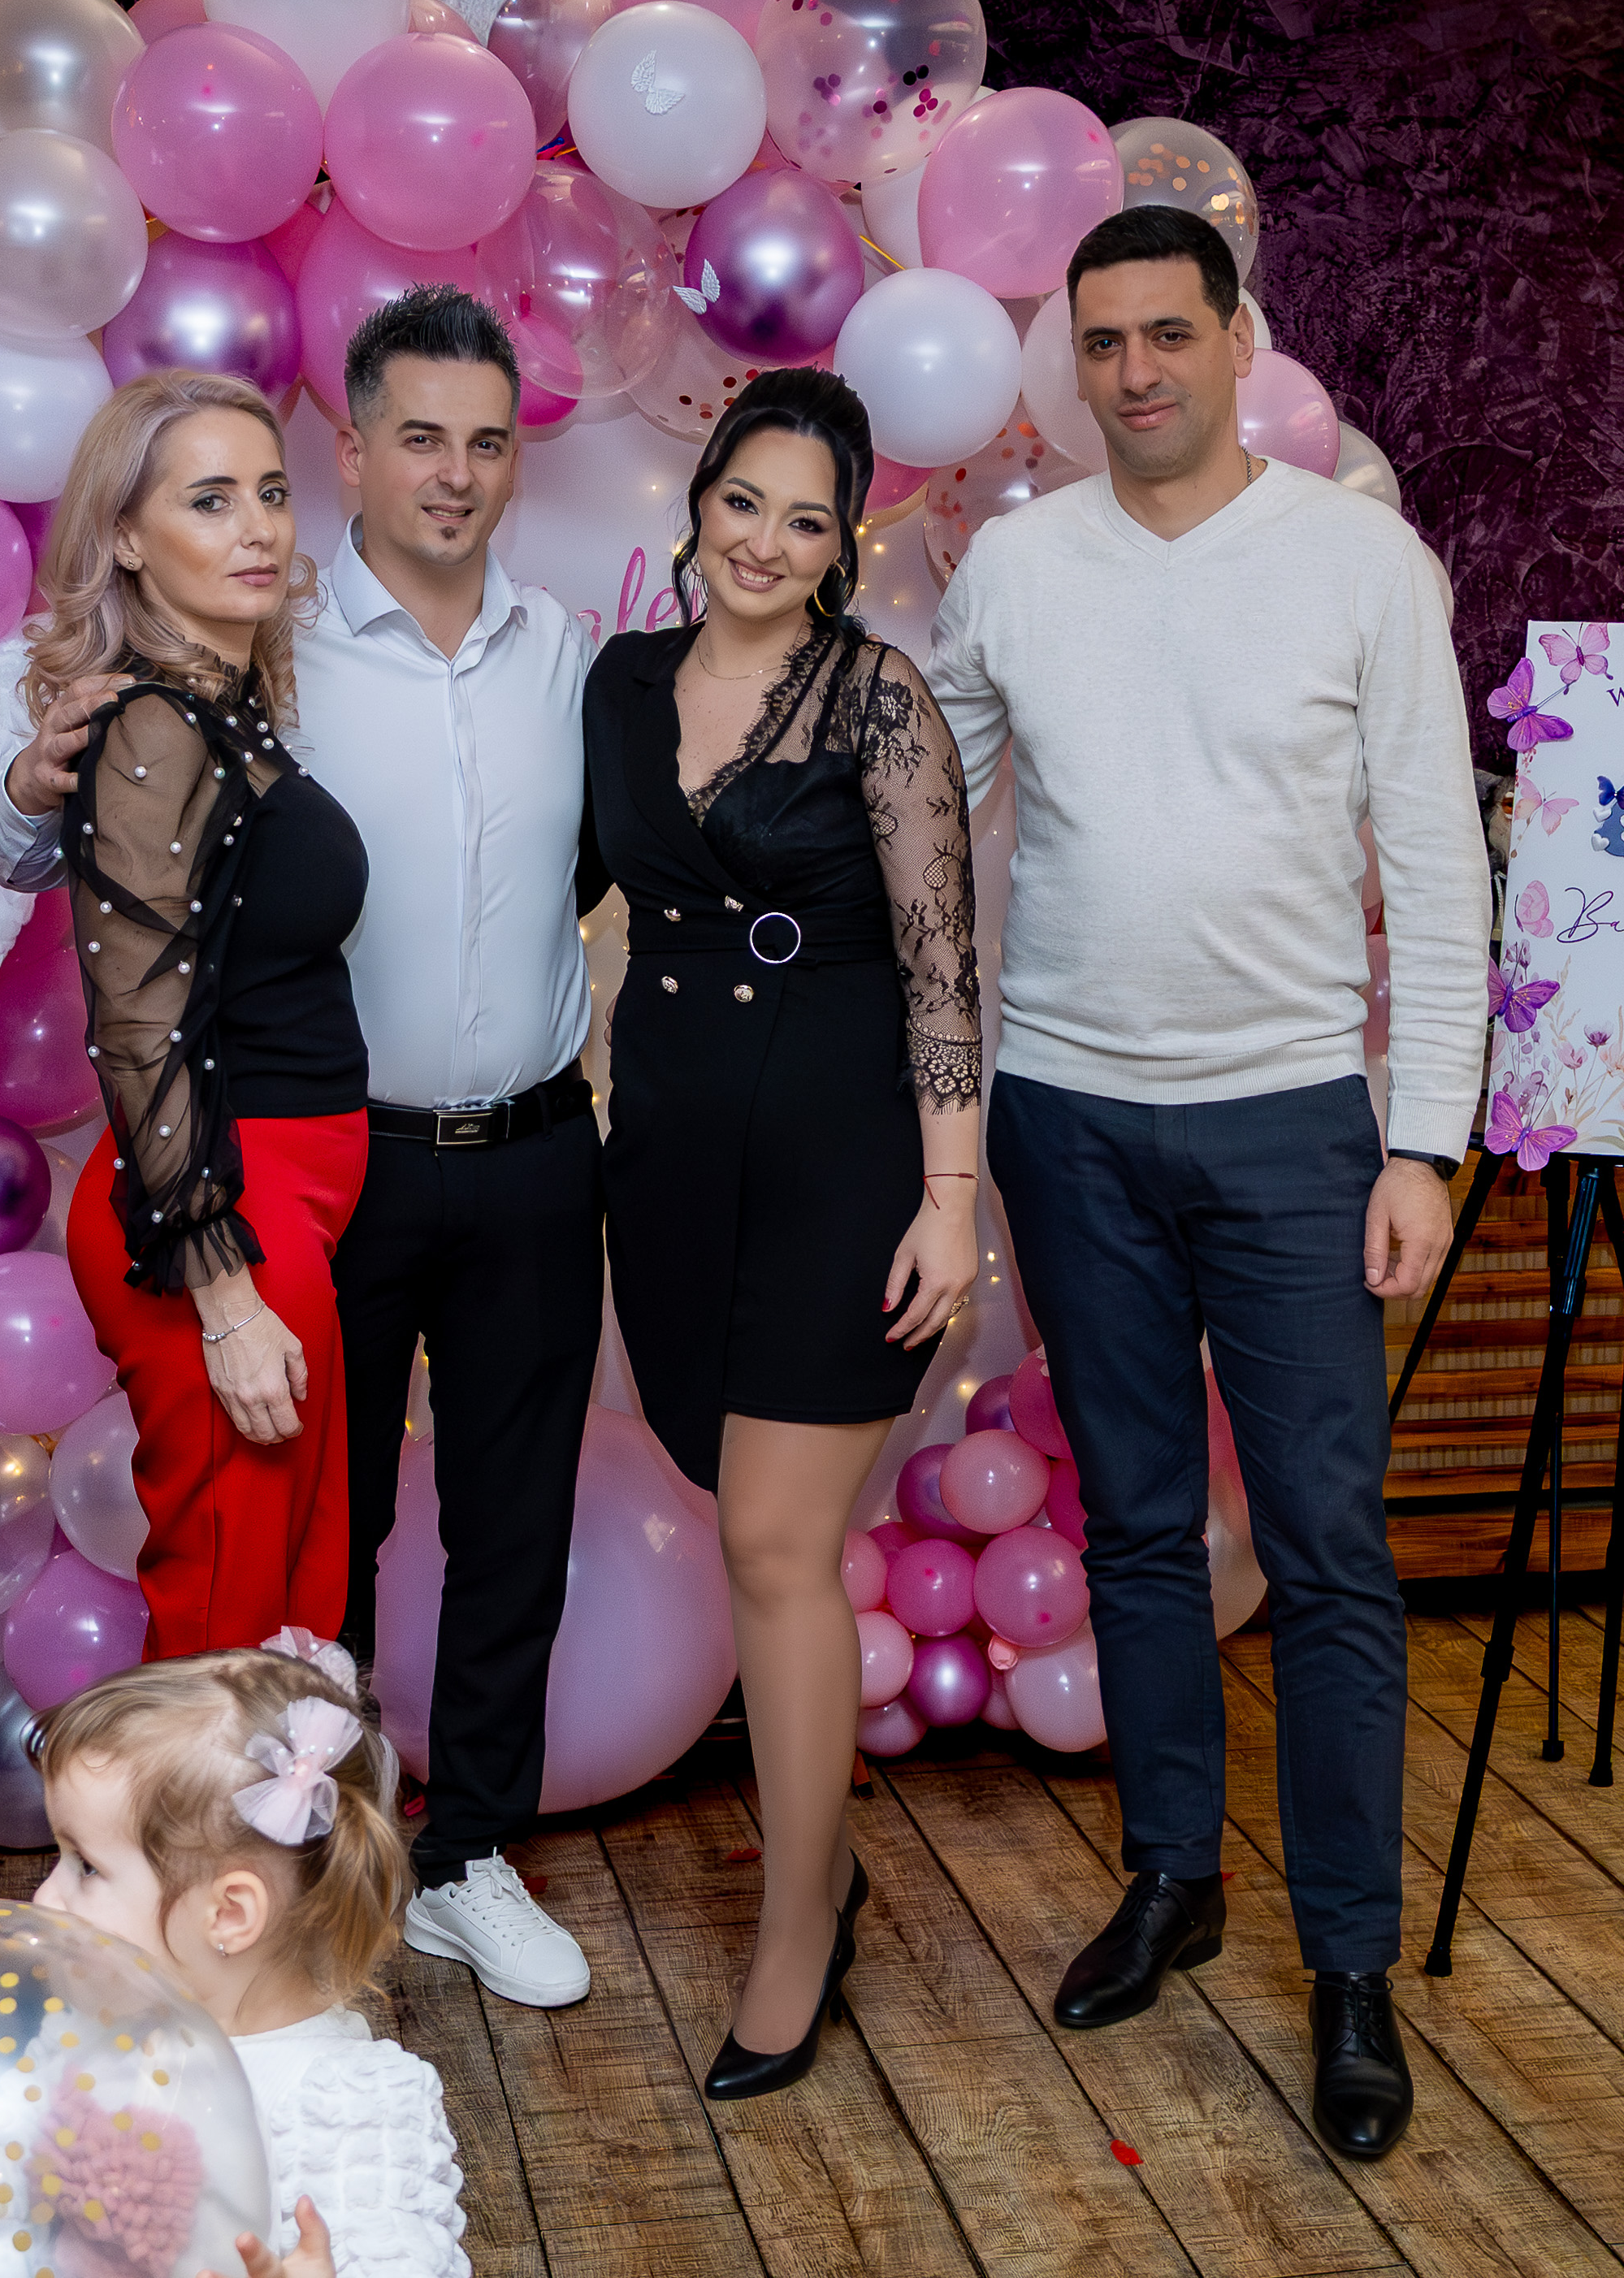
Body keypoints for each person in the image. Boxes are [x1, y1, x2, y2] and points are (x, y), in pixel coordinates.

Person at [929, 204, 1491, 2164]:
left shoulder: (1358, 562)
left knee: (1327, 1550)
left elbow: (1437, 864)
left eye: (1169, 332)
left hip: (1291, 1125)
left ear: (1239, 338)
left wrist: (1425, 1137)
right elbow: (914, 812)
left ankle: (1348, 1963)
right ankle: (1175, 1871)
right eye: (1103, 342)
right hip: (1066, 1115)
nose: (1137, 371)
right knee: (1140, 1524)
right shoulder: (1014, 569)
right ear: (1070, 365)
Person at [0, 292, 600, 2013]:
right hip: (270, 1194)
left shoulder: (537, 654)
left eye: (487, 441)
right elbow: (122, 971)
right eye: (417, 436)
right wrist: (23, 791)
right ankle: (190, 1970)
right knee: (262, 1588)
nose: (453, 472)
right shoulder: (242, 664)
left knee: (379, 1567)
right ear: (360, 447)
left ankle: (411, 1881)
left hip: (477, 1158)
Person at [583, 367, 981, 2099]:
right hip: (668, 1155)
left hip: (843, 1157)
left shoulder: (879, 700)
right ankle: (825, 1862)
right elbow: (537, 892)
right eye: (742, 500)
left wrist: (949, 1202)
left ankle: (798, 1921)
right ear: (699, 501)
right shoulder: (616, 685)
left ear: (843, 546)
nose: (762, 540)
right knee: (711, 1476)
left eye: (804, 520)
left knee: (770, 1543)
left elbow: (944, 969)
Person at [28, 370, 369, 1660]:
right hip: (217, 1202)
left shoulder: (225, 714)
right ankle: (163, 1813)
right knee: (228, 1621)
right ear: (124, 535)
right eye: (210, 500)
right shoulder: (149, 726)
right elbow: (134, 1016)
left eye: (270, 493)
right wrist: (221, 1289)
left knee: (287, 1608)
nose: (258, 528)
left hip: (284, 1195)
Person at [33, 1635, 465, 2278]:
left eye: (87, 1866)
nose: (44, 1897)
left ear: (229, 1913)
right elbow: (1, 2164)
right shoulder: (102, 2021)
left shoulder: (342, 2104)